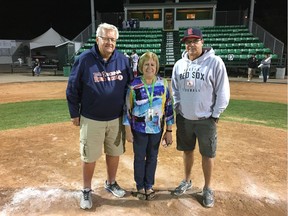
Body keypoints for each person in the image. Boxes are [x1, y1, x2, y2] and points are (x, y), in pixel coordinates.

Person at [66, 23, 133, 210]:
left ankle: (111, 182)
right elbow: (72, 88)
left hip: (116, 118)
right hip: (91, 118)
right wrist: (74, 113)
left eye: (113, 39)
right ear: (98, 39)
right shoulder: (84, 59)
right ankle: (86, 190)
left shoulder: (122, 60)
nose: (110, 42)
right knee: (89, 156)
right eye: (106, 39)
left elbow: (130, 87)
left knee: (114, 153)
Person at [171, 27, 230, 208]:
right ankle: (187, 180)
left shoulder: (215, 62)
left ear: (202, 42)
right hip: (185, 118)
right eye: (188, 42)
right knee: (187, 151)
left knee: (207, 154)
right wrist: (178, 108)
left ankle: (207, 188)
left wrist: (215, 114)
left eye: (195, 41)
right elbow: (174, 89)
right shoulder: (179, 64)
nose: (191, 45)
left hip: (206, 119)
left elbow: (223, 91)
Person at [123, 51, 174, 200]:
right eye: (146, 64)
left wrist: (169, 130)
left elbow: (169, 108)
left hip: (157, 129)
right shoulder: (134, 85)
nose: (149, 67)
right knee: (139, 158)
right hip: (138, 129)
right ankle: (140, 186)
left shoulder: (163, 83)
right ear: (141, 66)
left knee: (152, 157)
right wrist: (127, 130)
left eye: (152, 64)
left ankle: (149, 185)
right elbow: (127, 109)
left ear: (156, 67)